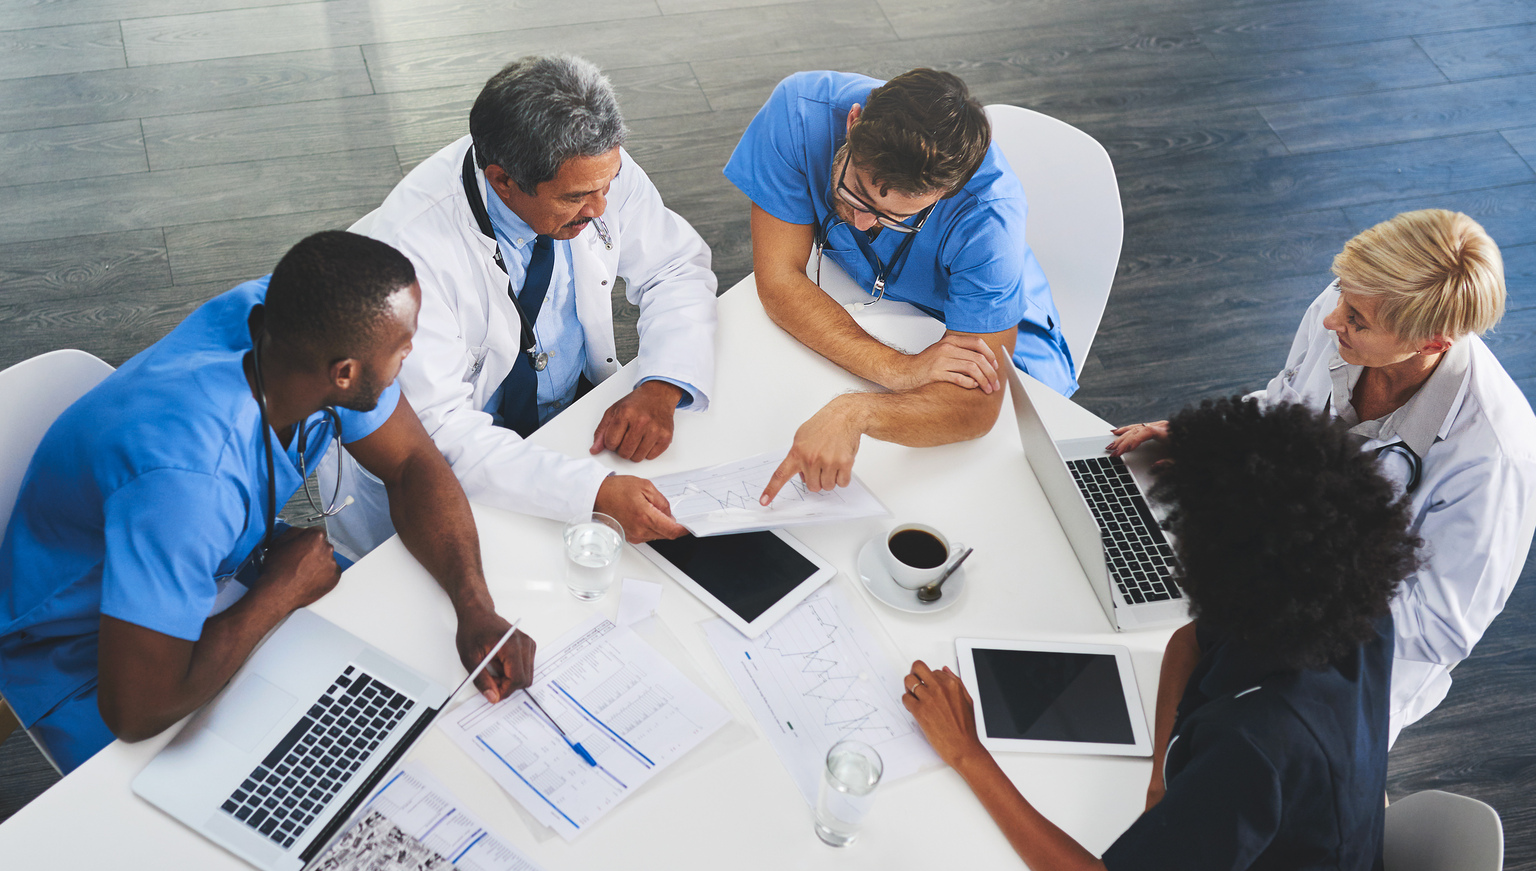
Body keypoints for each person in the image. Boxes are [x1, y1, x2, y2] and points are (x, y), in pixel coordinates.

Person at [913, 398, 1420, 871]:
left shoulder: (1260, 743)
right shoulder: (1347, 608)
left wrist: (968, 751)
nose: (1178, 543)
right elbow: (1189, 640)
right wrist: (1162, 779)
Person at [0, 232, 534, 775]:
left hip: (219, 571)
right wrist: (281, 592)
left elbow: (413, 464)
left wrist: (475, 607)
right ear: (345, 372)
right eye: (403, 345)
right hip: (84, 653)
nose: (410, 352)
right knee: (265, 792)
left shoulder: (299, 325)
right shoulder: (191, 484)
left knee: (391, 710)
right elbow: (136, 710)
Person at [1108, 210, 1536, 746]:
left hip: (1342, 673)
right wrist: (1208, 436)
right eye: (1341, 293)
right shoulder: (1347, 308)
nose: (1333, 319)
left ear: (1432, 344)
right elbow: (1287, 408)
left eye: (1356, 318)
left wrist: (1288, 585)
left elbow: (1439, 628)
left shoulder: (1496, 458)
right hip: (1261, 586)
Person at [325, 53, 716, 560]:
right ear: (502, 180)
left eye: (608, 185)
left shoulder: (595, 168)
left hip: (571, 423)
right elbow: (436, 432)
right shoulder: (406, 259)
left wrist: (663, 383)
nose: (601, 209)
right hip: (451, 470)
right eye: (577, 197)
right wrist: (590, 494)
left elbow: (675, 268)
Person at [723, 68, 1073, 503]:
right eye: (857, 194)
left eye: (898, 217)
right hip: (883, 316)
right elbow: (777, 281)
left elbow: (976, 409)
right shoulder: (799, 111)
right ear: (852, 123)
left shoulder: (990, 218)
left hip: (1003, 347)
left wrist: (856, 412)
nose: (865, 223)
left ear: (947, 193)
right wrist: (902, 369)